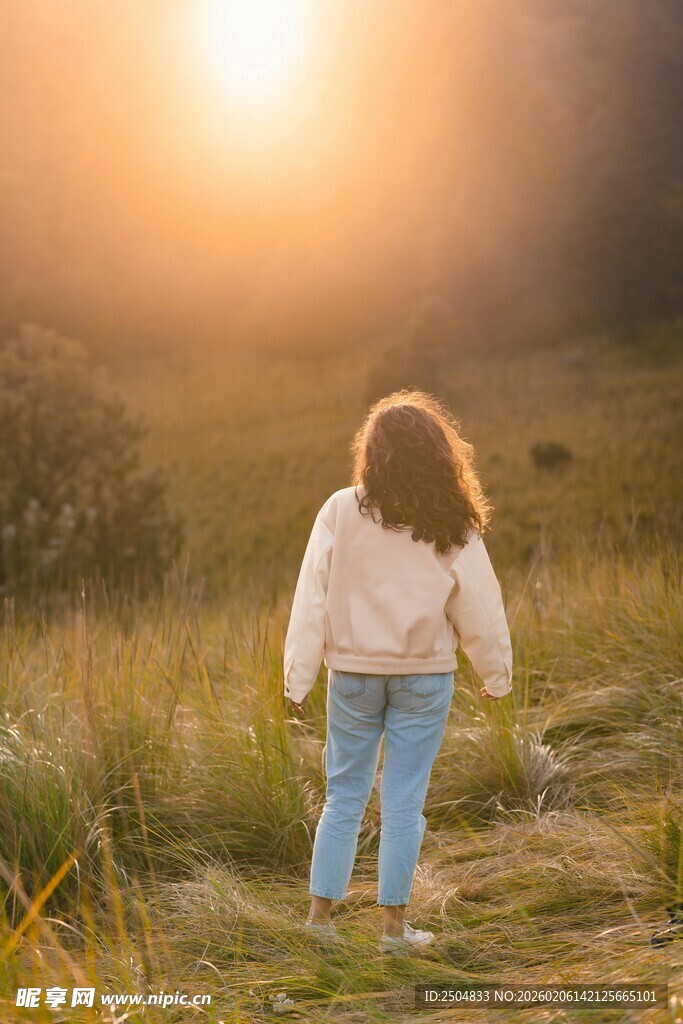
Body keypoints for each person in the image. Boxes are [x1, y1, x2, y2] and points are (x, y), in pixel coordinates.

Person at [283, 389, 513, 953]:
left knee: (343, 797)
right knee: (404, 804)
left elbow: (311, 598)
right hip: (424, 680)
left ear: (372, 453)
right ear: (439, 453)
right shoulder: (452, 520)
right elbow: (479, 605)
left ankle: (319, 923)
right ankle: (393, 932)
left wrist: (298, 677)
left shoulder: (340, 509)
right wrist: (497, 674)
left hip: (353, 677)